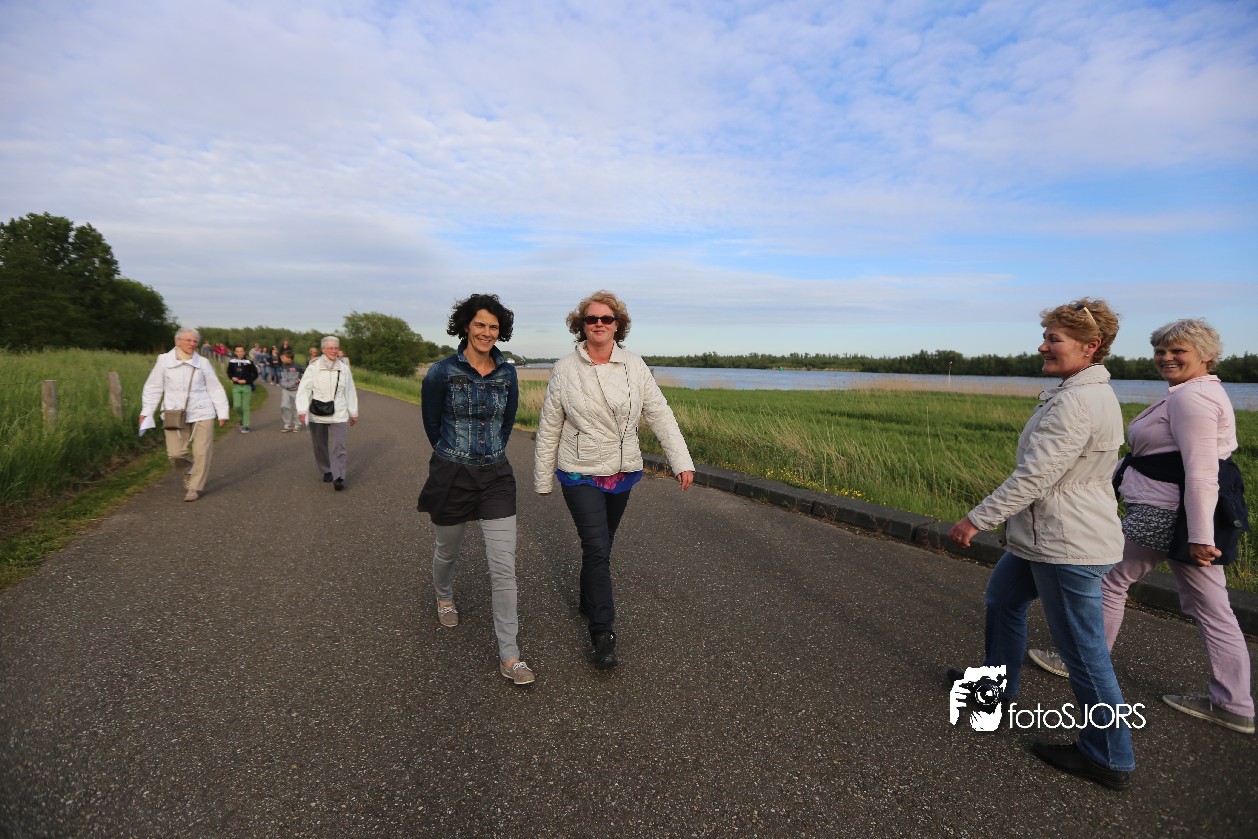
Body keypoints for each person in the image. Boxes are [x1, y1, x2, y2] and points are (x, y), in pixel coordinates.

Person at [1028, 319, 1253, 735]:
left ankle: (1080, 661)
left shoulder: (1193, 399)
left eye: (1178, 351)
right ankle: (1234, 704)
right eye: (1160, 351)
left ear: (1207, 356)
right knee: (1213, 607)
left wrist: (1200, 537)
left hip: (1164, 515)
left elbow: (1202, 471)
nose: (1166, 358)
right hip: (1179, 515)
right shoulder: (1192, 392)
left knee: (1109, 581)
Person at [948, 299, 1135, 790]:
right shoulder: (1084, 391)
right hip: (1046, 535)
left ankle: (1109, 756)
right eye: (1046, 336)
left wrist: (976, 519)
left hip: (1066, 542)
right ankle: (995, 689)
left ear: (1090, 346)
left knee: (1082, 651)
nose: (1043, 346)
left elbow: (1034, 477)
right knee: (1003, 599)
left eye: (1054, 339)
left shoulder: (1077, 401)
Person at [533, 290, 695, 669]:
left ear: (618, 325)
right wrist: (543, 477)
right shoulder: (565, 369)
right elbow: (550, 425)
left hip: (622, 472)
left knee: (602, 544)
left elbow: (659, 413)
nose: (599, 324)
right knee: (597, 548)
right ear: (581, 326)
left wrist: (681, 461)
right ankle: (602, 632)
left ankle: (588, 598)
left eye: (606, 319)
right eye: (591, 319)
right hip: (580, 471)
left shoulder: (635, 366)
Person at [418, 293, 533, 686]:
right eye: (480, 324)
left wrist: (490, 453)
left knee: (504, 568)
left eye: (494, 327)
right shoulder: (441, 372)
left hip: (496, 476)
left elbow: (507, 422)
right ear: (466, 325)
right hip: (453, 473)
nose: (487, 332)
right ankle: (444, 594)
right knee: (447, 550)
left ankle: (510, 655)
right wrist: (454, 455)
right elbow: (432, 425)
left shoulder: (507, 374)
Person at [140, 328, 230, 502]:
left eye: (195, 341)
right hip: (173, 412)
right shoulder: (164, 360)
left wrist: (222, 412)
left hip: (203, 410)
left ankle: (194, 487)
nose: (192, 344)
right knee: (175, 454)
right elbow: (153, 387)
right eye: (188, 340)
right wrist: (146, 412)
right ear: (177, 341)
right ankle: (190, 469)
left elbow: (215, 388)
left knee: (202, 452)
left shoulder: (203, 362)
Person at [296, 336, 358, 490]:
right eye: (330, 348)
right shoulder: (313, 367)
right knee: (319, 445)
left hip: (339, 413)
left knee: (339, 445)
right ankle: (326, 469)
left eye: (336, 348)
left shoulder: (344, 369)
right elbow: (304, 389)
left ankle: (339, 476)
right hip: (317, 413)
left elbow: (350, 391)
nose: (334, 351)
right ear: (323, 349)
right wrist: (302, 410)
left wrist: (353, 412)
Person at [226, 344, 259, 433]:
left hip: (246, 387)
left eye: (241, 351)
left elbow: (255, 374)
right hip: (236, 387)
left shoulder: (249, 362)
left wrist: (246, 380)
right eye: (238, 351)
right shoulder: (232, 362)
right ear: (235, 352)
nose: (239, 353)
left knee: (245, 407)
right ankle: (241, 418)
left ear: (244, 352)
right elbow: (229, 372)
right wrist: (232, 377)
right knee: (236, 406)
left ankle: (246, 425)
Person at [276, 350, 305, 432]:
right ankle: (287, 423)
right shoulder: (282, 365)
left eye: (283, 358)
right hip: (286, 390)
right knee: (284, 406)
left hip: (296, 390)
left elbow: (307, 373)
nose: (281, 359)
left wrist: (300, 380)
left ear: (289, 358)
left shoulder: (297, 366)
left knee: (297, 408)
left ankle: (297, 424)